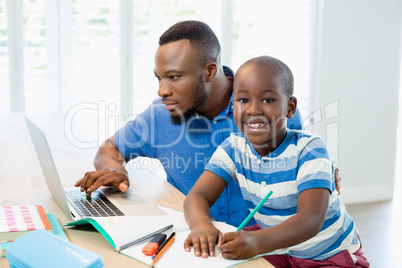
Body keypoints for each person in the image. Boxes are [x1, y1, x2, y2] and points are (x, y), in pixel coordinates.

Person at [75, 20, 339, 228]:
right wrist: (114, 169)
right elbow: (110, 148)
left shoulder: (270, 110)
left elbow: (301, 162)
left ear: (210, 71)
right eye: (159, 79)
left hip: (266, 246)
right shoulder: (159, 116)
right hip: (194, 240)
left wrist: (323, 173)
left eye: (174, 77)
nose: (162, 91)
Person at [183, 56, 369, 267]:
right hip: (277, 247)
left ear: (290, 108)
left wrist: (257, 242)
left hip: (328, 253)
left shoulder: (310, 149)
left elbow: (310, 220)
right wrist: (200, 225)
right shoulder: (233, 148)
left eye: (268, 100)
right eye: (243, 100)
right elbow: (197, 196)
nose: (253, 110)